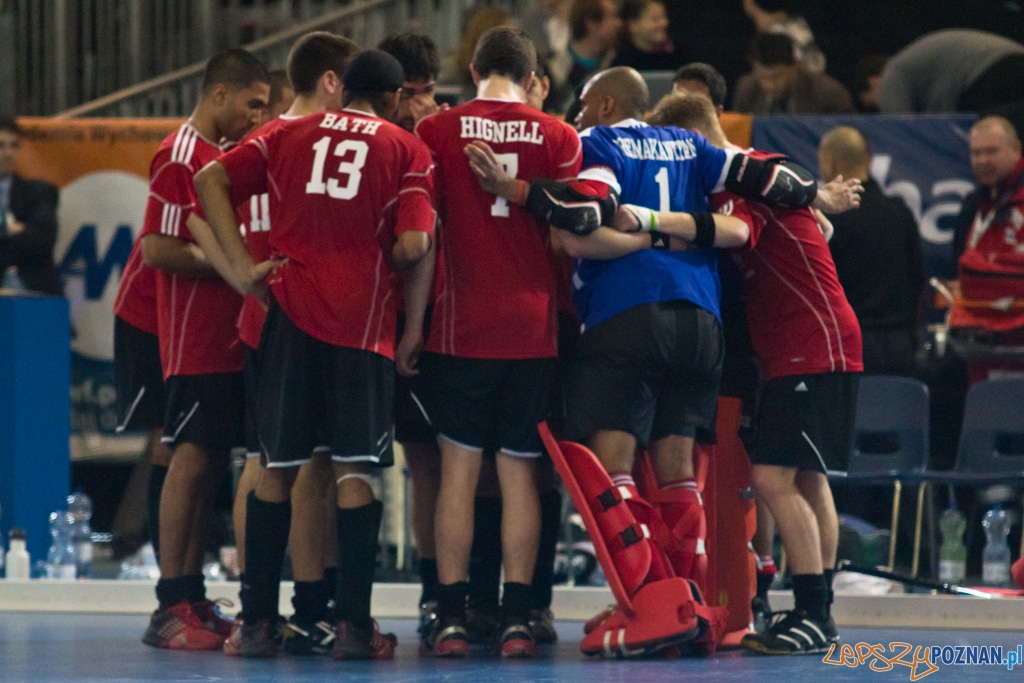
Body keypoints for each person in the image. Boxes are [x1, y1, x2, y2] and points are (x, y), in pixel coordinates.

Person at [194, 48, 436, 660]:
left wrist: (245, 269)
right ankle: (354, 627)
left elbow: (208, 180)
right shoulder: (406, 148)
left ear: (343, 87)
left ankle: (254, 626)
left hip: (289, 316)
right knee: (356, 469)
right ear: (390, 99)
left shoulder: (285, 132)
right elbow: (411, 244)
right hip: (361, 325)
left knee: (276, 468)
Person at [648, 90, 863, 656]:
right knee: (807, 480)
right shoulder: (759, 175)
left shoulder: (744, 178)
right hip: (806, 340)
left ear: (688, 144)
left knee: (772, 480)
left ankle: (815, 612)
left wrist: (648, 220)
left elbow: (736, 234)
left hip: (811, 340)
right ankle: (820, 614)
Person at [411, 26, 583, 659]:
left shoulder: (438, 131)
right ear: (532, 73)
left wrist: (412, 327)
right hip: (533, 328)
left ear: (475, 67)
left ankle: (452, 617)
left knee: (457, 475)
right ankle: (518, 617)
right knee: (520, 477)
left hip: (461, 327)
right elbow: (572, 229)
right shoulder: (558, 134)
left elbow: (421, 237)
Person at [223, 32, 361, 657]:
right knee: (279, 466)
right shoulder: (277, 139)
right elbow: (201, 194)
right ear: (331, 81)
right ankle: (269, 609)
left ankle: (299, 607)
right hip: (284, 322)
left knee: (308, 466)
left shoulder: (286, 141)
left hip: (299, 318)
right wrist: (239, 274)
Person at [136, 49, 269, 651]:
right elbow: (158, 248)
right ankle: (169, 603)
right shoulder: (180, 154)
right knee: (188, 459)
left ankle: (190, 593)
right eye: (253, 103)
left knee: (211, 461)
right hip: (192, 339)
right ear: (220, 94)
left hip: (229, 336)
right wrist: (231, 268)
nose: (258, 115)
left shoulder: (223, 159)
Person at [377, 30, 446, 636]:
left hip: (452, 323)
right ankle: (434, 592)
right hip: (386, 323)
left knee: (477, 467)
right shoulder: (374, 143)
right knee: (423, 463)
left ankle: (484, 595)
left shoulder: (447, 137)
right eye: (413, 94)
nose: (423, 105)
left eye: (430, 93)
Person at [818, 126, 922, 377]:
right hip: (901, 347)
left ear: (830, 164)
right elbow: (917, 278)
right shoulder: (900, 213)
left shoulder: (829, 221)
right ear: (870, 160)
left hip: (848, 346)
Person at [947, 116, 1024, 382]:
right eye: (976, 153)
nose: (982, 160)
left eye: (991, 151)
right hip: (980, 349)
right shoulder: (973, 206)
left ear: (1016, 150)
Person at [878, 30, 1024, 114]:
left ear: (872, 82)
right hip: (1013, 58)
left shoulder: (892, 73)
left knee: (976, 136)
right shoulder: (913, 67)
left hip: (987, 70)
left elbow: (900, 126)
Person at [0, 117, 62, 295]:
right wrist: (12, 230)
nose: (8, 153)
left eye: (13, 145)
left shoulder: (38, 192)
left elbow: (42, 240)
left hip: (34, 294)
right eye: (1, 145)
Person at [732, 32, 853, 115]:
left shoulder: (828, 93)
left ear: (794, 65)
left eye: (777, 76)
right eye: (762, 77)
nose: (770, 85)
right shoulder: (746, 89)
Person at [548, 0, 621, 112]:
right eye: (611, 17)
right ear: (591, 24)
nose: (618, 23)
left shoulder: (615, 62)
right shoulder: (555, 66)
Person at [609, 0, 681, 73]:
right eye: (655, 19)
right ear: (633, 25)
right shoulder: (621, 64)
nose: (663, 23)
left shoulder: (676, 57)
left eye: (663, 17)